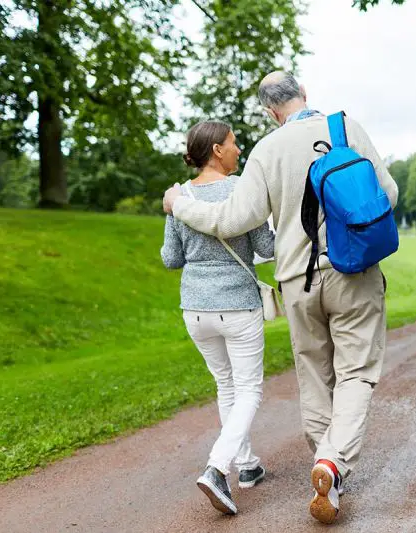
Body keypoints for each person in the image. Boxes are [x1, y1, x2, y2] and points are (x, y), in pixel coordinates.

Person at [162, 72, 398, 524]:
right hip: (355, 274)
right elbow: (387, 192)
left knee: (313, 373)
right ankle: (332, 463)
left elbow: (232, 219)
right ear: (304, 94)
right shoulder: (345, 126)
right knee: (355, 374)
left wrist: (179, 205)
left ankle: (325, 463)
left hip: (298, 281)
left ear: (270, 113)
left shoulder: (266, 151)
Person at [160, 120, 275, 516]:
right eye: (232, 143)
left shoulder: (179, 197)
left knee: (227, 386)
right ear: (216, 151)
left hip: (194, 309)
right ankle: (217, 468)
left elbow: (171, 258)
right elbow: (265, 245)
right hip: (238, 305)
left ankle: (247, 467)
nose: (239, 148)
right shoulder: (242, 189)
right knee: (249, 389)